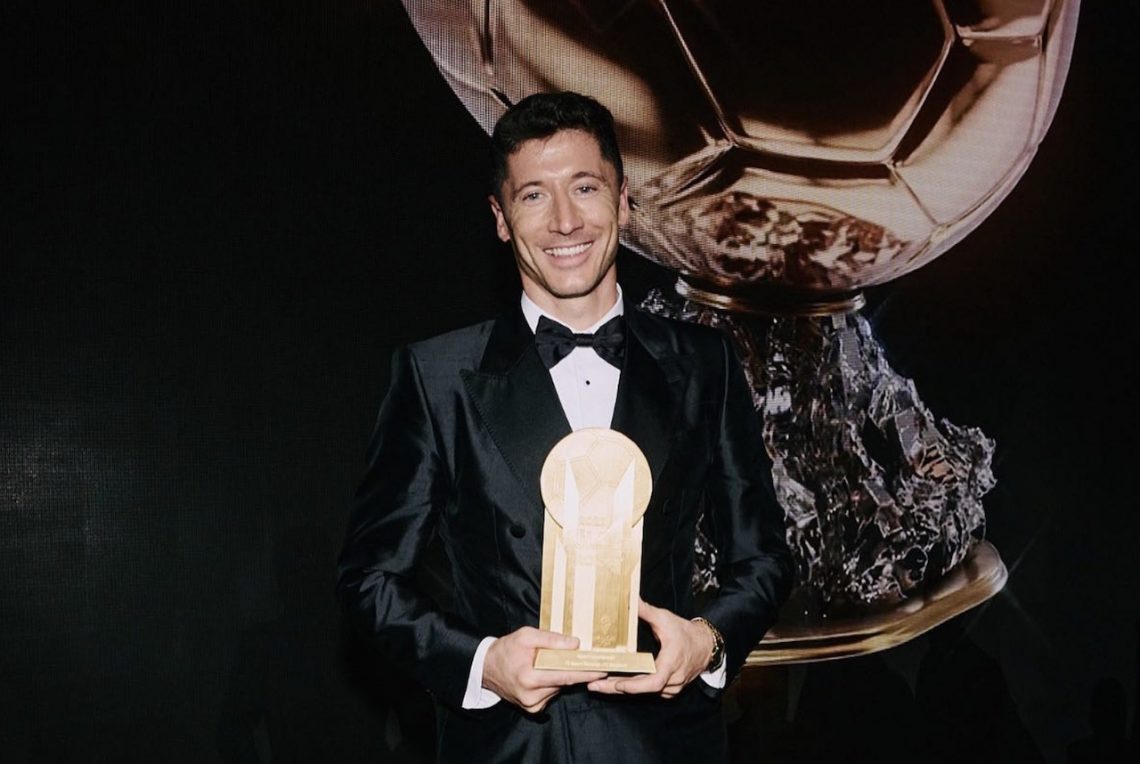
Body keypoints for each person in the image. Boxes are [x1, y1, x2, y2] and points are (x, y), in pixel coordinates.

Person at [336, 91, 792, 763]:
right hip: (510, 749)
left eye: (585, 187)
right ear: (500, 219)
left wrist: (708, 641)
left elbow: (763, 558)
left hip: (666, 745)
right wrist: (483, 663)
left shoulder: (705, 364)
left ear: (623, 201)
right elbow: (370, 579)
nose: (565, 221)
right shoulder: (436, 377)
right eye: (533, 196)